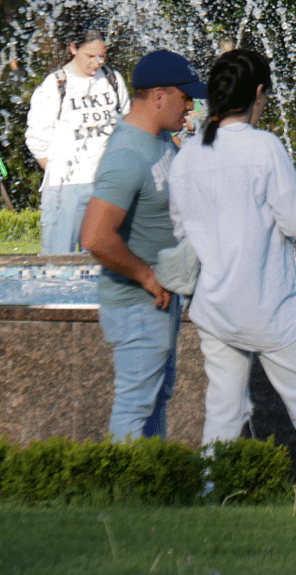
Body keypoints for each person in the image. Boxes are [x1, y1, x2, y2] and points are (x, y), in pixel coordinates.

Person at [168, 49, 296, 452]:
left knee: (223, 415)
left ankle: (212, 485)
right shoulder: (265, 147)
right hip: (268, 306)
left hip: (214, 307)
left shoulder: (188, 154)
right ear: (259, 93)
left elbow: (180, 230)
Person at [81, 50, 206, 441]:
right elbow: (94, 236)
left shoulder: (159, 139)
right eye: (185, 97)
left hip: (156, 301)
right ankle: (123, 480)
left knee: (155, 398)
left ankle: (151, 477)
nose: (191, 106)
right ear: (159, 97)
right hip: (137, 304)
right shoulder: (126, 155)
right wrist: (146, 276)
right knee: (135, 405)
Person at [26, 27, 130, 254]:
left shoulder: (113, 80)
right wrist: (60, 173)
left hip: (106, 186)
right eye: (90, 56)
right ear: (73, 48)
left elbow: (125, 127)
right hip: (65, 189)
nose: (97, 63)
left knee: (102, 262)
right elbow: (36, 139)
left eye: (102, 56)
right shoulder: (55, 84)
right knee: (57, 261)